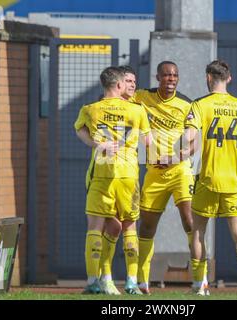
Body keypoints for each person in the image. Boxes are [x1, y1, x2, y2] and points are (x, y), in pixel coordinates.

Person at [185, 59, 237, 296]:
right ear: (229, 79)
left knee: (198, 231)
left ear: (208, 78)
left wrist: (182, 148)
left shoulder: (200, 105)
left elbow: (189, 135)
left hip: (207, 178)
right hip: (233, 181)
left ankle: (199, 285)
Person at [74, 66, 151, 294]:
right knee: (129, 226)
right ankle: (130, 281)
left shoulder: (90, 109)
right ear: (119, 85)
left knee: (95, 227)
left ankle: (92, 281)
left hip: (102, 171)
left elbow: (79, 130)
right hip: (128, 173)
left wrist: (98, 144)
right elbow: (147, 143)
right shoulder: (137, 111)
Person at [130, 61, 195, 294]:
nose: (171, 79)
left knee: (190, 222)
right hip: (154, 174)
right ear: (158, 77)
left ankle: (201, 281)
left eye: (175, 75)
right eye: (167, 75)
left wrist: (175, 157)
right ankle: (141, 281)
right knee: (146, 228)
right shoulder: (142, 97)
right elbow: (117, 98)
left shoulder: (186, 104)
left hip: (180, 170)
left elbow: (194, 143)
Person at [97, 65, 140, 295]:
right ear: (118, 84)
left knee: (127, 225)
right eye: (128, 80)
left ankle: (131, 281)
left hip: (128, 175)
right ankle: (103, 278)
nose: (132, 84)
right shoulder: (102, 106)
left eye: (134, 81)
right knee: (110, 226)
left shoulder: (137, 108)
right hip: (103, 174)